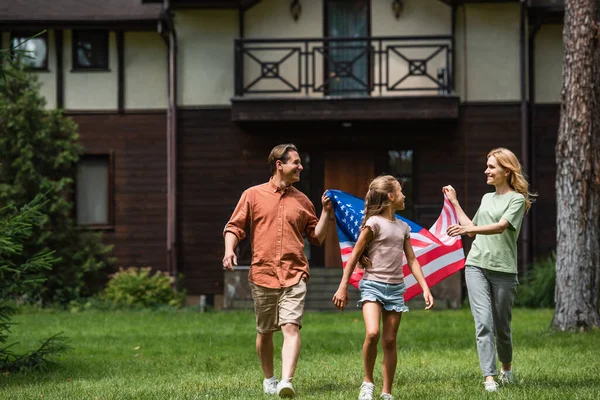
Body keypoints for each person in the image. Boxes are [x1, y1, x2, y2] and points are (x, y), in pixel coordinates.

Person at [222, 143, 332, 398]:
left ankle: (286, 381)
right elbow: (234, 227)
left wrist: (326, 213)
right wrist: (229, 250)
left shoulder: (303, 201)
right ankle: (269, 379)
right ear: (279, 165)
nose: (300, 167)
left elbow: (316, 237)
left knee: (291, 326)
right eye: (295, 162)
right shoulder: (252, 195)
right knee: (265, 331)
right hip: (263, 273)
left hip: (295, 273)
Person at [332, 175, 434, 400]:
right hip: (372, 286)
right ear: (391, 196)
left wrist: (424, 287)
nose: (404, 195)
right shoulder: (373, 224)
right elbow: (354, 257)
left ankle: (387, 392)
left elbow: (412, 260)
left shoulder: (403, 227)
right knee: (373, 332)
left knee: (389, 340)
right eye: (401, 191)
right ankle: (368, 382)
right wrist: (342, 287)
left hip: (396, 289)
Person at [443, 147, 536, 392]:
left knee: (502, 327)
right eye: (487, 166)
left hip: (504, 270)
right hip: (476, 265)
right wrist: (455, 202)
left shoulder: (516, 199)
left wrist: (467, 231)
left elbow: (500, 227)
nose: (487, 170)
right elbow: (472, 228)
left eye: (492, 167)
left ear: (507, 171)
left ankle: (506, 368)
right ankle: (489, 377)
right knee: (483, 323)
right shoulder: (486, 198)